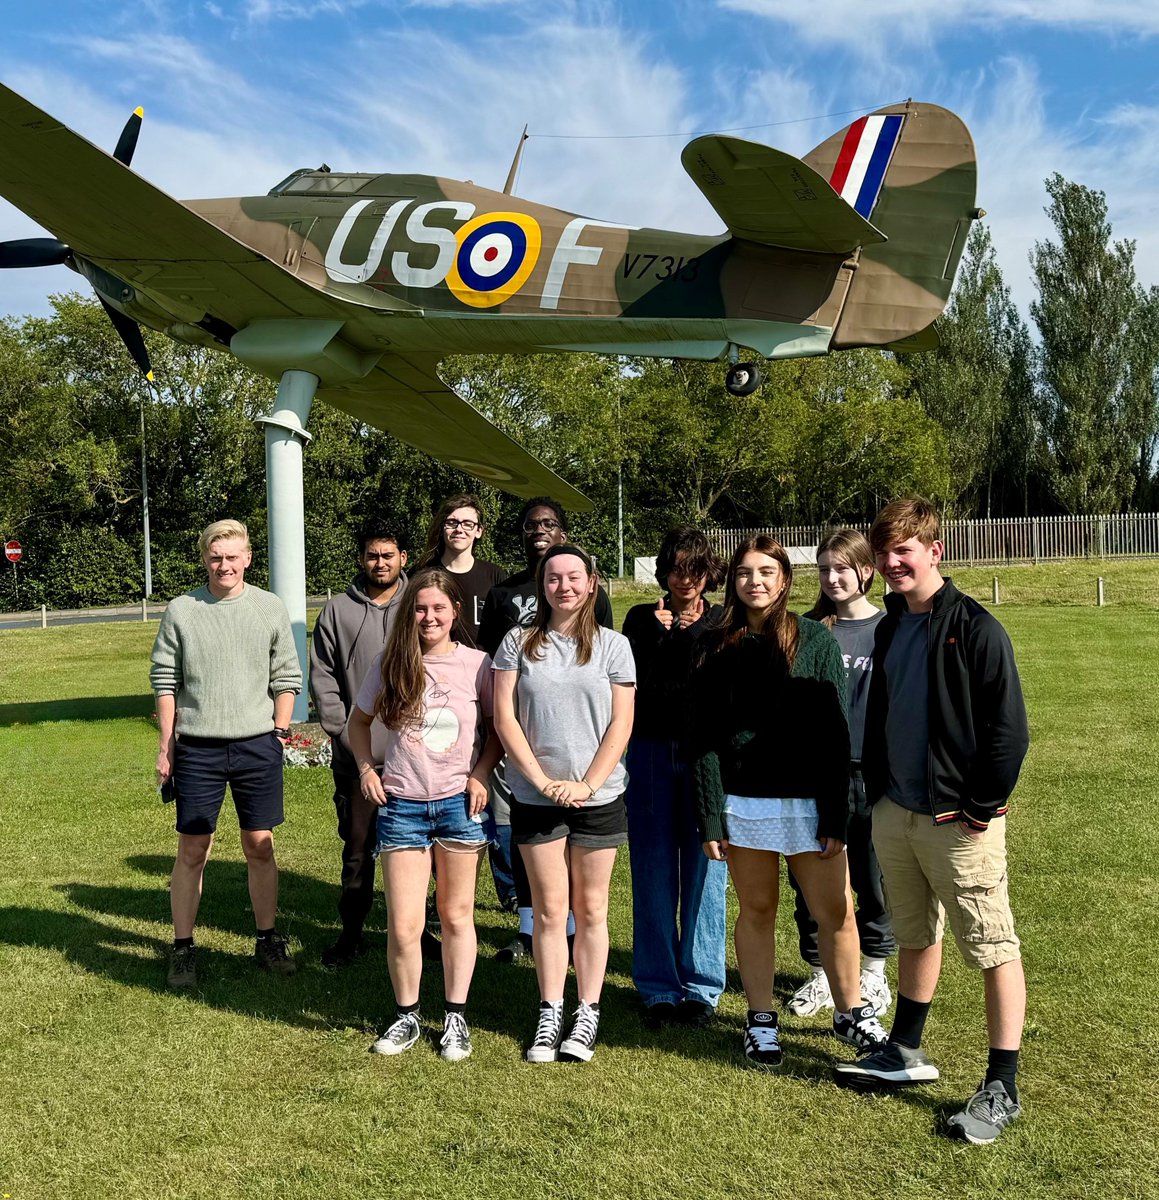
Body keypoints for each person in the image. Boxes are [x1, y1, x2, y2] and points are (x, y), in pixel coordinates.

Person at [834, 498, 1030, 1146]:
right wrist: (885, 796)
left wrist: (978, 809)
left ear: (933, 550)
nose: (891, 563)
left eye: (903, 551)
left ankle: (1001, 1085)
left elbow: (1008, 734)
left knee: (991, 947)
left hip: (958, 820)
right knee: (915, 934)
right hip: (898, 813)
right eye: (884, 552)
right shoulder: (891, 627)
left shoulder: (975, 628)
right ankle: (904, 1050)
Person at [692, 535, 887, 1070]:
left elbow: (834, 735)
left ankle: (852, 1015)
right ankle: (759, 1022)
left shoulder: (814, 641)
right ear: (733, 582)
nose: (754, 582)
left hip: (808, 805)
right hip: (745, 804)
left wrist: (835, 813)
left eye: (765, 572)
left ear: (783, 580)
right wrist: (711, 813)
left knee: (837, 912)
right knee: (758, 910)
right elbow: (703, 738)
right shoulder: (716, 644)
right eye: (743, 573)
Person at [347, 568, 501, 1061]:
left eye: (438, 608)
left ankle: (455, 1017)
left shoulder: (478, 665)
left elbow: (500, 730)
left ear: (456, 612)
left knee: (457, 916)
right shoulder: (391, 662)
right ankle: (407, 1015)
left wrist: (480, 774)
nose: (428, 617)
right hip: (403, 807)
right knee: (405, 923)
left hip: (459, 805)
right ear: (407, 613)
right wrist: (367, 770)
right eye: (419, 608)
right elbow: (358, 723)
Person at [492, 544, 635, 1063]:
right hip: (536, 796)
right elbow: (504, 718)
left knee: (591, 908)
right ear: (541, 585)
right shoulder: (516, 644)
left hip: (599, 796)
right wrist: (539, 779)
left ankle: (587, 1012)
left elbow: (622, 724)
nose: (565, 586)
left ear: (591, 583)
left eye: (574, 577)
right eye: (554, 578)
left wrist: (588, 784)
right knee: (550, 911)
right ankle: (550, 1009)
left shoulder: (616, 647)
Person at [151, 519, 302, 989]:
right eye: (216, 557)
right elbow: (164, 680)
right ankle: (182, 949)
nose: (224, 565)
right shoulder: (183, 609)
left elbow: (287, 676)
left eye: (233, 556)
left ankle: (267, 938)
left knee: (260, 846)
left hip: (258, 744)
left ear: (248, 558)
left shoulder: (268, 608)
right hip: (197, 747)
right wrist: (166, 747)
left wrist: (279, 731)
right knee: (193, 848)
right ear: (205, 559)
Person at [479, 497, 614, 961]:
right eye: (531, 525)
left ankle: (571, 928)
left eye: (549, 524)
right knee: (523, 836)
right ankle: (528, 926)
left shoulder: (595, 600)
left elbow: (606, 669)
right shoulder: (503, 595)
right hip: (521, 737)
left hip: (582, 747)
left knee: (581, 852)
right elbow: (493, 669)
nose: (539, 530)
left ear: (563, 531)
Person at [621, 526, 727, 1029]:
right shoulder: (640, 620)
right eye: (677, 568)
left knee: (709, 865)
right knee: (653, 865)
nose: (686, 579)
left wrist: (686, 635)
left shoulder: (724, 620)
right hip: (649, 753)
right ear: (663, 571)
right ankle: (658, 985)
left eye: (696, 569)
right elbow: (639, 686)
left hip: (706, 756)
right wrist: (666, 635)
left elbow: (706, 683)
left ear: (709, 573)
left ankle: (702, 985)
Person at [787, 529, 895, 1019]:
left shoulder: (891, 628)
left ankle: (873, 973)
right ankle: (820, 975)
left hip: (871, 774)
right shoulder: (807, 628)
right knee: (813, 884)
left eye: (841, 568)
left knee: (872, 878)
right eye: (824, 569)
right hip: (812, 775)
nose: (832, 578)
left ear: (865, 572)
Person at [309, 518, 409, 967]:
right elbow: (324, 676)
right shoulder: (337, 611)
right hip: (357, 756)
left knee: (415, 847)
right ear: (361, 558)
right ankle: (351, 932)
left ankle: (415, 932)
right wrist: (342, 731)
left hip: (415, 755)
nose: (380, 563)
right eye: (373, 555)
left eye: (388, 555)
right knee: (357, 847)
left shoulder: (419, 602)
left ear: (403, 558)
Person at [416, 493, 505, 651]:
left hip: (482, 670)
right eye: (452, 522)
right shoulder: (421, 574)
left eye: (467, 524)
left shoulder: (495, 575)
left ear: (478, 531)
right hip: (432, 667)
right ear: (443, 527)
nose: (459, 529)